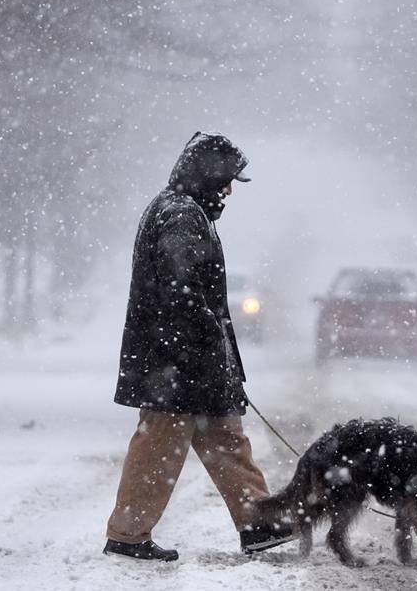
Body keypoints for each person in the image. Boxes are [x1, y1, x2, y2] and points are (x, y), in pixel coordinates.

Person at [104, 131, 293, 561]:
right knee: (159, 447)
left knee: (226, 438)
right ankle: (128, 536)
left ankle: (258, 523)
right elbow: (181, 289)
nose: (229, 190)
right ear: (206, 175)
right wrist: (206, 341)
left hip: (191, 360)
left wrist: (218, 357)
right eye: (225, 180)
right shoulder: (179, 215)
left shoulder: (188, 212)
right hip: (174, 362)